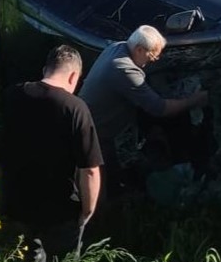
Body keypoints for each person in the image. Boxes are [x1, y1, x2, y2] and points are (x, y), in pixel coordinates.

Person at [1, 44, 103, 262]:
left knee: (31, 258)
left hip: (18, 200)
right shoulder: (75, 108)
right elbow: (90, 169)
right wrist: (88, 210)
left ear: (45, 69)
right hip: (60, 207)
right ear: (73, 77)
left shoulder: (12, 95)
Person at [77, 25, 208, 195]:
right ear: (139, 49)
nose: (154, 60)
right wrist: (194, 100)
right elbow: (159, 108)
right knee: (106, 181)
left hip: (88, 121)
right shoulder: (123, 69)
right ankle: (110, 209)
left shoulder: (117, 47)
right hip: (96, 133)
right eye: (152, 56)